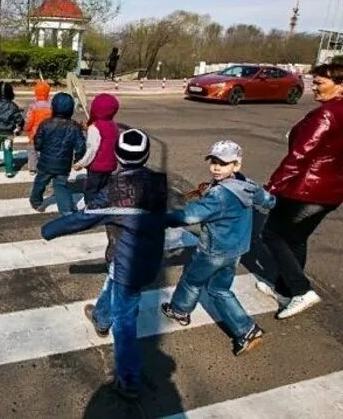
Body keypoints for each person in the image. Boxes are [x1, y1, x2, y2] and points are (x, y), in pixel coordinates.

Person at [41, 128, 167, 400]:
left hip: (127, 262)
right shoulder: (158, 183)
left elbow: (83, 217)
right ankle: (100, 316)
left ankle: (129, 379)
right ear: (146, 155)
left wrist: (49, 230)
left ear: (118, 156)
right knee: (113, 285)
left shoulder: (115, 192)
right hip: (150, 256)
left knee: (125, 319)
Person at [161, 140, 276, 356]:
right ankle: (247, 330)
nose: (216, 167)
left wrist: (162, 219)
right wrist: (272, 200)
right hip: (237, 249)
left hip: (214, 250)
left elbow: (190, 216)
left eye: (222, 163)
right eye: (213, 161)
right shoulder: (248, 185)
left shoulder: (220, 194)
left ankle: (179, 310)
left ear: (236, 165)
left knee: (192, 281)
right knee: (219, 289)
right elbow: (268, 201)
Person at [258, 62, 343, 319]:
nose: (313, 87)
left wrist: (272, 187)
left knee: (271, 233)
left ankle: (301, 289)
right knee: (296, 238)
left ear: (340, 86)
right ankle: (285, 290)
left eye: (320, 83)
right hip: (331, 191)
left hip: (306, 189)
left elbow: (300, 155)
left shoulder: (327, 114)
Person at [29, 93, 86, 214]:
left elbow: (37, 141)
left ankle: (36, 201)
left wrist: (40, 148)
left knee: (40, 182)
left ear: (53, 107)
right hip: (63, 163)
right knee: (61, 185)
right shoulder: (74, 126)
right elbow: (81, 146)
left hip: (45, 162)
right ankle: (66, 210)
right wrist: (78, 159)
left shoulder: (46, 124)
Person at [73, 93, 120, 204]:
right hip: (110, 165)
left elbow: (92, 150)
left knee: (91, 190)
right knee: (104, 189)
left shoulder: (95, 127)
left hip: (96, 167)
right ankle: (103, 207)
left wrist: (81, 163)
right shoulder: (113, 125)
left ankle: (90, 210)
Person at [0, 82, 24, 177]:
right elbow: (19, 119)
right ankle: (9, 170)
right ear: (11, 93)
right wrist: (19, 127)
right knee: (8, 151)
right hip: (8, 133)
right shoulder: (13, 106)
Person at [23, 81, 53, 174]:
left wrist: (26, 128)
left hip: (35, 133)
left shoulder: (33, 106)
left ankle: (33, 168)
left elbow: (29, 121)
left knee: (32, 150)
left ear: (36, 92)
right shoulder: (51, 106)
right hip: (48, 133)